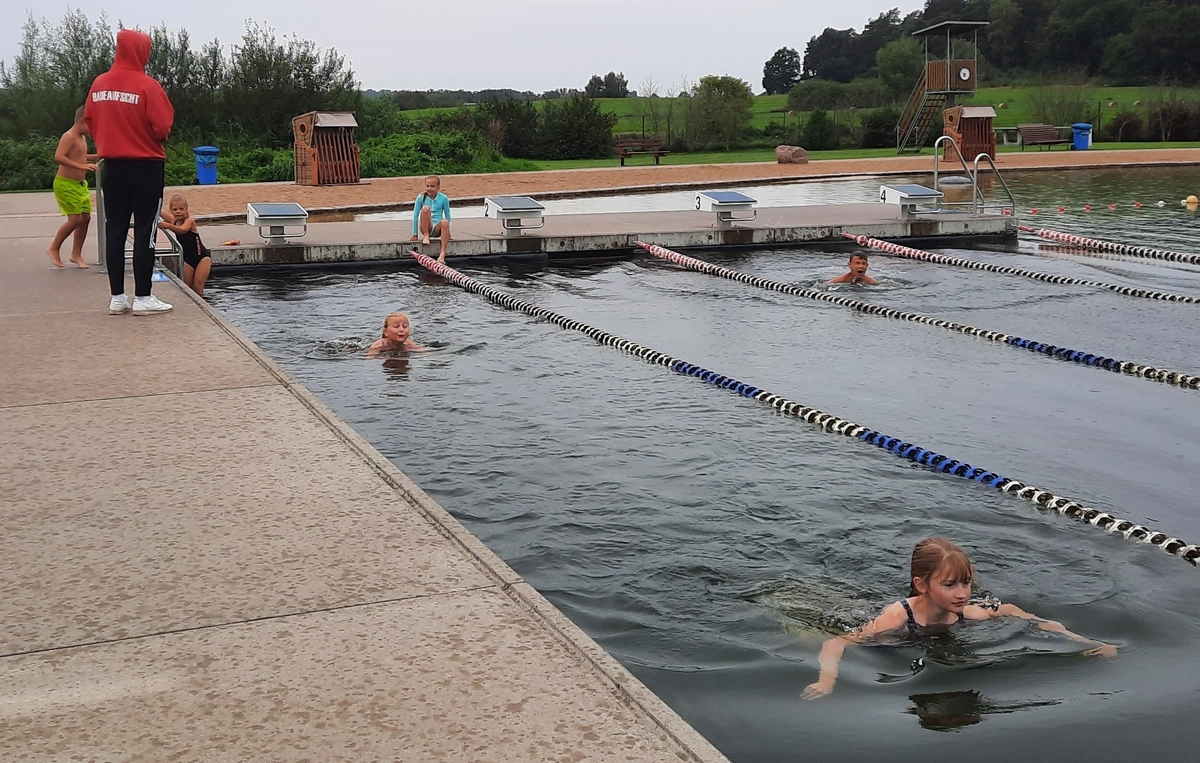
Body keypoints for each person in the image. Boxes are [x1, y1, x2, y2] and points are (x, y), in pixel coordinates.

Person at [802, 537, 1117, 699]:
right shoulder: (897, 616)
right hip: (867, 619)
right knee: (805, 631)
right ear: (922, 585)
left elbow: (1023, 615)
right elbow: (836, 642)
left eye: (966, 583)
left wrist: (1084, 642)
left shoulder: (969, 613)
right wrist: (826, 679)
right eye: (950, 585)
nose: (962, 593)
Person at [85, 28, 175, 315]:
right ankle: (144, 297)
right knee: (146, 231)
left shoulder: (99, 84)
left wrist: (108, 138)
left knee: (115, 229)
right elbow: (162, 128)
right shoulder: (148, 85)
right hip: (146, 166)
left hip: (111, 167)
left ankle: (117, 297)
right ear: (141, 51)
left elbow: (89, 119)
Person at [47, 105, 98, 269]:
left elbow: (81, 156)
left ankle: (76, 253)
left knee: (86, 218)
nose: (93, 130)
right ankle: (53, 247)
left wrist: (98, 156)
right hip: (65, 184)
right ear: (82, 121)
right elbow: (59, 157)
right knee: (75, 219)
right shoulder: (69, 136)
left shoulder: (82, 138)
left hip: (80, 185)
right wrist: (82, 167)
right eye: (91, 125)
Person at [157, 193, 210, 296]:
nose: (178, 212)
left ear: (187, 209)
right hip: (187, 259)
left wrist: (168, 225)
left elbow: (182, 230)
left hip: (202, 257)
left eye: (181, 209)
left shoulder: (189, 221)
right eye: (175, 209)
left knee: (198, 287)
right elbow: (160, 211)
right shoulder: (174, 221)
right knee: (189, 288)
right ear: (171, 211)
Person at [409, 175, 451, 263]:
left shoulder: (443, 198)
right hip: (425, 226)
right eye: (427, 186)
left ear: (438, 187)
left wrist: (448, 232)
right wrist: (414, 233)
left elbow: (447, 214)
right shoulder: (421, 197)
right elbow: (415, 215)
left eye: (432, 186)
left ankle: (442, 253)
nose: (429, 188)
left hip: (437, 228)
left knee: (445, 221)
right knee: (425, 208)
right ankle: (426, 235)